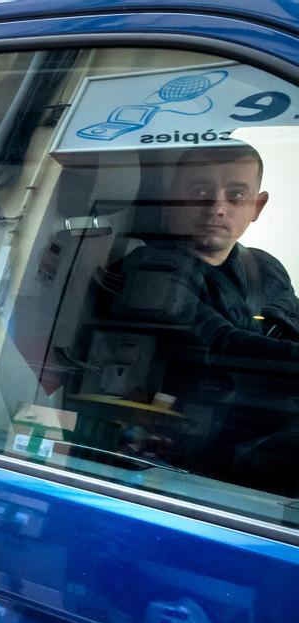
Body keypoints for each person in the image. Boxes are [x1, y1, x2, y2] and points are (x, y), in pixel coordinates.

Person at [113, 144, 299, 492]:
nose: (217, 207)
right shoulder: (150, 267)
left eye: (236, 195)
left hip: (275, 429)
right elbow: (220, 344)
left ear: (257, 207)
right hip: (199, 449)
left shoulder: (266, 268)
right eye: (200, 192)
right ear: (172, 200)